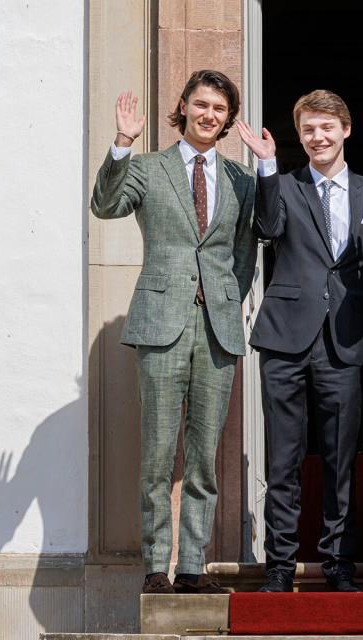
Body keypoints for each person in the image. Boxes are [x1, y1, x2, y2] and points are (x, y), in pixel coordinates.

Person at [90, 70, 257, 594]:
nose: (209, 114)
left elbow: (243, 257)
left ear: (228, 118)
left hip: (217, 330)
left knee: (204, 457)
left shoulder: (240, 180)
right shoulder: (148, 168)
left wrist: (225, 299)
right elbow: (105, 204)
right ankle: (155, 568)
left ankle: (191, 569)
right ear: (183, 106)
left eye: (219, 108)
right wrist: (121, 142)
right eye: (201, 104)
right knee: (159, 454)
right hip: (162, 325)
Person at [236, 90, 363, 593]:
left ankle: (338, 563)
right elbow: (266, 227)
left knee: (340, 460)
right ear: (299, 136)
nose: (317, 138)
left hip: (342, 343)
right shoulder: (283, 185)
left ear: (345, 129)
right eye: (307, 130)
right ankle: (279, 565)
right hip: (284, 339)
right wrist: (265, 167)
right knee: (282, 458)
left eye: (326, 128)